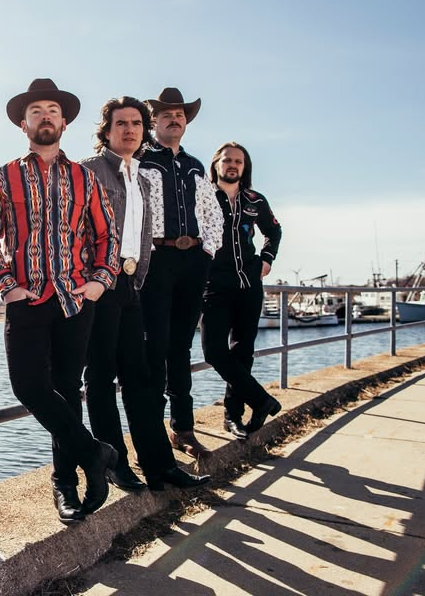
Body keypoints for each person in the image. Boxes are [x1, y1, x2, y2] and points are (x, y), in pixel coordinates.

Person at [0, 79, 121, 525]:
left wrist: (100, 281)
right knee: (28, 386)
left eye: (53, 111)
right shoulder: (2, 176)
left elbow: (107, 233)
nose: (45, 116)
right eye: (36, 111)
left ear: (64, 123)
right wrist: (6, 284)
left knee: (67, 391)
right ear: (23, 124)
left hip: (75, 300)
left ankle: (66, 483)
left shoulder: (85, 177)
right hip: (26, 299)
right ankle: (94, 452)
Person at [80, 97, 211, 491]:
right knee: (101, 377)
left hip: (130, 285)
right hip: (99, 285)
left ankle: (159, 465)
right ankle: (115, 464)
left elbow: (143, 236)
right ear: (106, 131)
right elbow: (75, 230)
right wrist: (93, 280)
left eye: (136, 124)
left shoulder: (140, 177)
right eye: (121, 123)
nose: (130, 130)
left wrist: (136, 281)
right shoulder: (88, 171)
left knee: (139, 377)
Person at [138, 88, 223, 460]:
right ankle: (152, 434)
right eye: (167, 115)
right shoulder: (141, 160)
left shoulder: (195, 165)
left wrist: (207, 251)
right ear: (154, 121)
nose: (175, 120)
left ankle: (183, 429)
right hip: (156, 260)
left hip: (192, 263)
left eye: (180, 115)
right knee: (154, 348)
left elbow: (212, 213)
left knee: (181, 348)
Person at [201, 142, 283, 438]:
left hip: (250, 285)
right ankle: (261, 400)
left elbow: (273, 230)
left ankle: (233, 416)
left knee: (243, 351)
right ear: (216, 164)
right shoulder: (204, 196)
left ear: (244, 166)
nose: (232, 165)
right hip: (214, 286)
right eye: (227, 160)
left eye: (238, 161)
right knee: (213, 351)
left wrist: (267, 259)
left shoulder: (255, 200)